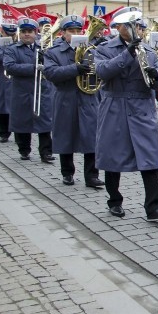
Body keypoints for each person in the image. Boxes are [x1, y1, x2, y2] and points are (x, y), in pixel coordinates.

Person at [94, 8, 158, 222]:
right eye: (131, 26)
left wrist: (156, 77)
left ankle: (154, 207)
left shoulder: (149, 50)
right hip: (114, 105)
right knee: (112, 156)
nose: (137, 30)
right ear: (119, 28)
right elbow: (103, 72)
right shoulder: (105, 48)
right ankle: (114, 200)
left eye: (138, 26)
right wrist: (127, 54)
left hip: (141, 106)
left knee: (150, 157)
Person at [42, 15, 104, 188]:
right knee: (66, 135)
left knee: (91, 137)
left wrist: (93, 70)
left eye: (78, 30)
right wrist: (75, 69)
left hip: (88, 98)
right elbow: (51, 73)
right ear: (63, 33)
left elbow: (100, 72)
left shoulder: (91, 50)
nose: (76, 33)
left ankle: (92, 176)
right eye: (71, 31)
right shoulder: (53, 52)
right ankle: (67, 172)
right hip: (65, 97)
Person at [3, 17, 54, 162]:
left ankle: (46, 152)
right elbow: (9, 66)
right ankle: (24, 149)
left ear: (35, 32)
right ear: (20, 33)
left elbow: (52, 65)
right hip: (22, 90)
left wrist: (46, 64)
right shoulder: (12, 49)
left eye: (30, 31)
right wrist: (33, 68)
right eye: (24, 31)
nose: (27, 34)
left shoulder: (43, 48)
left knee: (44, 122)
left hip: (41, 90)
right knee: (22, 121)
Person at [0, 21, 18, 143]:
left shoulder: (18, 42)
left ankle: (17, 131)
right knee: (2, 106)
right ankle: (4, 133)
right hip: (0, 77)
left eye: (12, 34)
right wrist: (4, 52)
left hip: (14, 78)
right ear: (2, 31)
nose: (10, 36)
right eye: (8, 34)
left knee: (14, 105)